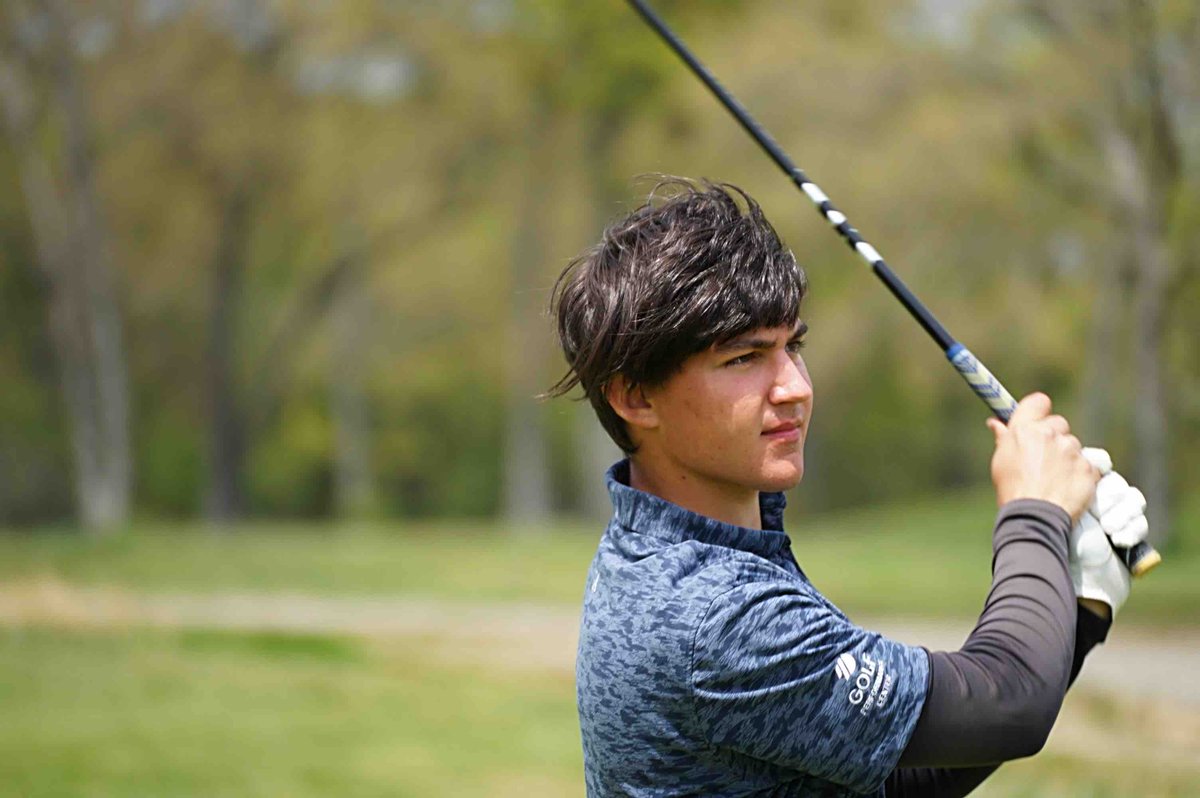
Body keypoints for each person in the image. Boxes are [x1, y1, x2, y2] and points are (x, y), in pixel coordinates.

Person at [546, 178, 1150, 797]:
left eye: (793, 346)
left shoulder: (654, 548)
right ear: (635, 396)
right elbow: (1009, 706)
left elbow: (893, 777)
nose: (795, 387)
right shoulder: (718, 617)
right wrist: (1036, 514)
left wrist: (1080, 603)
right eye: (743, 359)